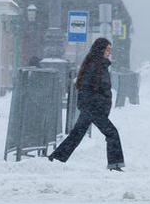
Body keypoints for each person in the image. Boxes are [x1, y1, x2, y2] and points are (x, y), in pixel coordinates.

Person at [48, 37, 124, 170]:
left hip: (92, 108)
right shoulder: (96, 65)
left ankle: (56, 158)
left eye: (110, 50)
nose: (109, 52)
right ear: (100, 49)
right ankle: (115, 164)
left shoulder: (99, 64)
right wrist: (96, 104)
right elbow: (87, 87)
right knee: (112, 133)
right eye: (107, 49)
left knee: (76, 134)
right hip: (94, 108)